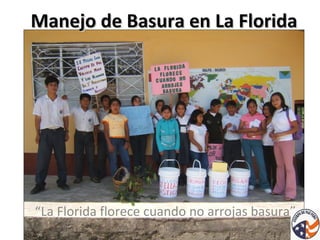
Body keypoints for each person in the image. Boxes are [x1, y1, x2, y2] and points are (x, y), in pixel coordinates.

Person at [31, 75, 70, 194]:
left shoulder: (62, 102)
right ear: (46, 86)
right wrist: (37, 133)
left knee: (61, 159)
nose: (54, 87)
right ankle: (39, 184)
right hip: (45, 134)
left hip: (59, 133)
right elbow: (37, 118)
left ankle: (62, 182)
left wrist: (66, 131)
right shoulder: (40, 101)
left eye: (55, 85)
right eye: (51, 85)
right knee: (42, 160)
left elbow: (66, 117)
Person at [238, 98, 272, 193]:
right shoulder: (244, 117)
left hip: (257, 141)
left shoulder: (261, 116)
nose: (252, 108)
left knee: (261, 161)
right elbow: (239, 130)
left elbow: (264, 130)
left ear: (256, 107)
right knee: (248, 161)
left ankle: (264, 184)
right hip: (246, 141)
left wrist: (255, 133)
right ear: (247, 108)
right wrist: (250, 130)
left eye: (253, 106)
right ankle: (251, 182)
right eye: (250, 107)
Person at [270, 92, 298, 200]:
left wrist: (281, 134)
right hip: (277, 142)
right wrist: (272, 133)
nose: (275, 102)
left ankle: (290, 193)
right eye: (273, 100)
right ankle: (279, 188)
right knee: (279, 166)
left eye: (277, 99)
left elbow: (295, 128)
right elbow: (274, 128)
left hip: (287, 141)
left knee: (289, 167)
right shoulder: (275, 113)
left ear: (281, 100)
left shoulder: (288, 111)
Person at [71, 93, 100, 184]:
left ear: (90, 102)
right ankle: (78, 177)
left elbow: (96, 126)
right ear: (80, 101)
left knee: (91, 157)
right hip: (78, 135)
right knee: (78, 156)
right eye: (84, 100)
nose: (86, 102)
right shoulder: (75, 110)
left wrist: (95, 140)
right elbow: (64, 111)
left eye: (87, 100)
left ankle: (93, 176)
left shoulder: (92, 112)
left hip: (89, 135)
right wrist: (64, 100)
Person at [102, 98, 131, 176]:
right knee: (113, 161)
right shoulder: (107, 117)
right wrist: (109, 143)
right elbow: (106, 131)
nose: (115, 107)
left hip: (122, 141)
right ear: (110, 107)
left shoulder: (123, 117)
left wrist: (127, 142)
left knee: (126, 160)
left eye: (117, 105)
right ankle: (115, 179)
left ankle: (127, 178)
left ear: (120, 106)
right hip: (112, 141)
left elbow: (127, 129)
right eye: (113, 105)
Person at [129, 95, 148, 175]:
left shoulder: (144, 110)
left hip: (143, 134)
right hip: (133, 135)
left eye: (139, 101)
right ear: (132, 103)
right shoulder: (128, 111)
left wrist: (149, 117)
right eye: (135, 101)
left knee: (142, 153)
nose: (137, 102)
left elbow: (147, 121)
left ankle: (143, 172)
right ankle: (137, 172)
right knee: (135, 154)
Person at [203, 99, 224, 166]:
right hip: (209, 141)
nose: (219, 108)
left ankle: (216, 176)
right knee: (209, 160)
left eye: (220, 107)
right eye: (218, 106)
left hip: (218, 141)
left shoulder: (219, 116)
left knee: (218, 160)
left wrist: (222, 139)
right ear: (212, 106)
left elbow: (221, 128)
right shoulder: (205, 116)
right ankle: (209, 174)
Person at [222, 100, 242, 166]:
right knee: (226, 159)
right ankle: (227, 176)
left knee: (237, 159)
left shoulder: (240, 117)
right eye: (229, 107)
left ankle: (235, 175)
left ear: (235, 108)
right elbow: (223, 132)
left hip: (237, 141)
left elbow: (242, 129)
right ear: (227, 108)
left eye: (233, 107)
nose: (231, 109)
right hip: (227, 141)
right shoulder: (224, 118)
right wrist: (226, 127)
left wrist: (237, 131)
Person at [175, 101, 191, 185]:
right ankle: (179, 175)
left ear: (185, 110)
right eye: (178, 109)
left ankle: (184, 175)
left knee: (186, 156)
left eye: (182, 109)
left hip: (187, 139)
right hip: (178, 139)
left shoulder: (189, 118)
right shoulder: (174, 119)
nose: (180, 110)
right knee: (179, 157)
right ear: (176, 110)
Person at [262, 102, 277, 188]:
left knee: (274, 165)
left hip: (273, 145)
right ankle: (267, 184)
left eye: (267, 109)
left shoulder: (275, 119)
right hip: (264, 145)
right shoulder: (264, 119)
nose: (266, 111)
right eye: (264, 109)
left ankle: (275, 184)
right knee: (266, 165)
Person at [97, 94, 111, 179]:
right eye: (105, 100)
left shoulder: (112, 111)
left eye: (108, 100)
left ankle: (113, 173)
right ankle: (101, 173)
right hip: (102, 134)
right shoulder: (99, 111)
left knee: (111, 154)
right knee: (101, 155)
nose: (107, 102)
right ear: (102, 102)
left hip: (111, 134)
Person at [152, 99, 164, 164]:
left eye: (162, 105)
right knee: (157, 150)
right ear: (156, 107)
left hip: (165, 135)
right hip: (157, 134)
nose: (161, 107)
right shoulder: (153, 116)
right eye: (159, 105)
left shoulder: (167, 115)